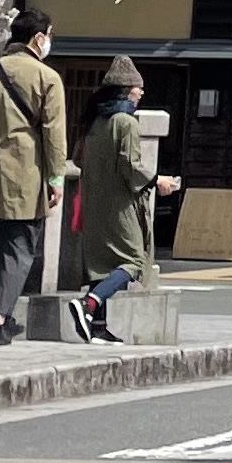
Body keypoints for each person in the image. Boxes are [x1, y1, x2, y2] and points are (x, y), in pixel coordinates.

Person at [0, 6, 71, 348]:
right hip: (24, 173)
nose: (49, 41)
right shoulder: (46, 77)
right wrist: (56, 178)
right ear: (38, 38)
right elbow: (54, 134)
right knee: (20, 247)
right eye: (49, 35)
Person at [73, 57, 173, 341]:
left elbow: (81, 160)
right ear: (128, 90)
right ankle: (89, 304)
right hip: (120, 204)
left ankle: (98, 327)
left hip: (94, 201)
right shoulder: (125, 122)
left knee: (99, 262)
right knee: (133, 259)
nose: (141, 93)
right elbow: (131, 166)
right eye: (138, 88)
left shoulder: (95, 121)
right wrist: (158, 180)